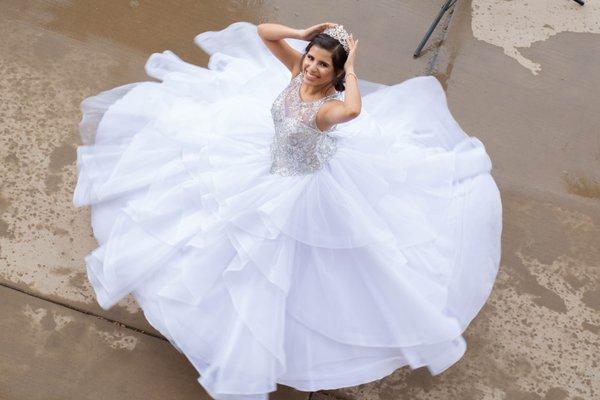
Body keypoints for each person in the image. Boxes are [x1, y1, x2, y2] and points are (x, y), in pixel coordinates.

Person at [73, 20, 502, 400]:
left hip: (302, 187)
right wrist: (303, 35)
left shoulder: (327, 109)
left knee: (284, 268)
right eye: (311, 59)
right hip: (264, 162)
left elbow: (353, 109)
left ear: (334, 75)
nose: (313, 68)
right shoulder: (297, 70)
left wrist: (350, 69)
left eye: (322, 66)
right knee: (207, 229)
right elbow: (262, 33)